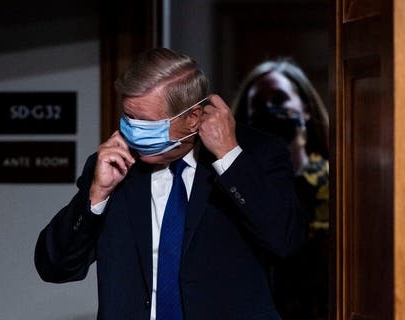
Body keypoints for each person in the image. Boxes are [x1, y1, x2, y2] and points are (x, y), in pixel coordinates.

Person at [34, 48, 305, 320]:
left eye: (146, 122)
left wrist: (229, 156)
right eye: (129, 117)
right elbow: (54, 266)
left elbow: (286, 241)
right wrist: (97, 195)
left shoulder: (257, 154)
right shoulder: (113, 164)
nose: (133, 130)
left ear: (192, 118)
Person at [231, 58, 330, 319]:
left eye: (279, 99)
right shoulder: (238, 184)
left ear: (305, 109)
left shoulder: (336, 182)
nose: (269, 109)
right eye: (259, 104)